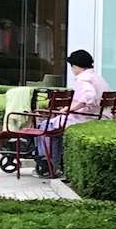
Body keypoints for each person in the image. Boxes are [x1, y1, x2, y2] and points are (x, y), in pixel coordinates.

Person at [45, 49, 111, 177]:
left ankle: (49, 164)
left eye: (72, 66)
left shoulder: (83, 79)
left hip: (86, 117)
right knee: (53, 126)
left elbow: (88, 97)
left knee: (46, 126)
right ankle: (55, 163)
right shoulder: (98, 78)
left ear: (76, 66)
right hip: (100, 115)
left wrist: (69, 109)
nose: (71, 69)